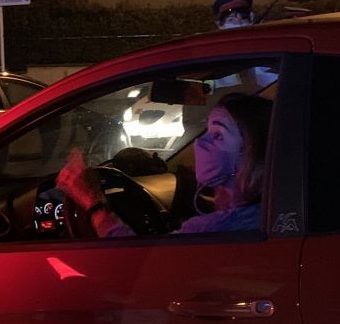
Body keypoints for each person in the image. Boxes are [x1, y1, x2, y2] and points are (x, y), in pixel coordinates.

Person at [57, 94, 273, 237]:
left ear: (251, 153)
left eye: (218, 135)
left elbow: (135, 261)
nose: (199, 141)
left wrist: (93, 203)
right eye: (206, 130)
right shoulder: (265, 211)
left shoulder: (216, 229)